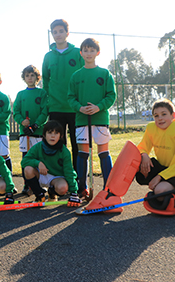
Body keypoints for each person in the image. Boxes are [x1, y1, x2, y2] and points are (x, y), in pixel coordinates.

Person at [84, 98, 175, 215]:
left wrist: (159, 177)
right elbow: (142, 146)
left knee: (160, 191)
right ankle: (111, 195)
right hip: (164, 169)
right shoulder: (152, 128)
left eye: (164, 114)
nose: (160, 118)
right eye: (156, 115)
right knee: (137, 161)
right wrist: (144, 155)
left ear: (173, 115)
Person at [67, 38, 116, 199]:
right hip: (82, 120)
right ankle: (82, 187)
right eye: (85, 50)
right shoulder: (76, 76)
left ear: (97, 52)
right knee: (83, 153)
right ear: (81, 53)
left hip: (100, 118)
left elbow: (111, 95)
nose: (88, 53)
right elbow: (70, 97)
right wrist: (80, 108)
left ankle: (108, 187)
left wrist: (98, 107)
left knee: (103, 152)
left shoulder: (105, 73)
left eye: (92, 50)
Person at [42, 19, 84, 170]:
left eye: (61, 31)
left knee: (77, 144)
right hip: (56, 107)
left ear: (67, 33)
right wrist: (48, 101)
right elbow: (46, 81)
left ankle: (79, 178)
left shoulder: (77, 53)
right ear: (52, 34)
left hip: (75, 107)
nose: (58, 34)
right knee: (58, 144)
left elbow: (83, 76)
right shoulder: (48, 56)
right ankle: (60, 175)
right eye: (55, 32)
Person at [21, 121, 80, 205]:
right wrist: (38, 163)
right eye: (49, 133)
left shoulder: (64, 151)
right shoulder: (38, 147)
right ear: (44, 135)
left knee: (63, 188)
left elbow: (69, 172)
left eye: (56, 133)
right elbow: (24, 161)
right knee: (28, 169)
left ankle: (52, 192)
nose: (53, 136)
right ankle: (39, 195)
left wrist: (74, 193)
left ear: (61, 136)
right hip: (40, 174)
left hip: (56, 178)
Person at [12, 65, 48, 195]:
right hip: (25, 133)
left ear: (37, 78)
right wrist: (22, 121)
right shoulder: (21, 94)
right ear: (24, 78)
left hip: (38, 133)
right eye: (27, 75)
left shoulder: (42, 93)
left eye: (32, 75)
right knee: (26, 158)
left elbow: (44, 111)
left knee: (39, 157)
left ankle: (40, 184)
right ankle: (27, 184)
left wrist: (36, 125)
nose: (30, 78)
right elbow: (15, 111)